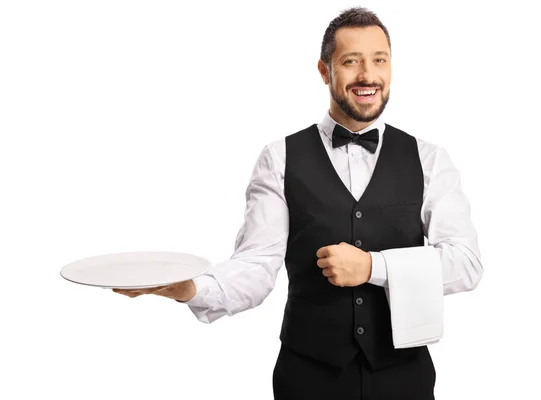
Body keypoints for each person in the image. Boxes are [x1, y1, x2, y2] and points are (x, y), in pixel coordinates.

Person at [113, 6, 483, 399]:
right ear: (324, 71)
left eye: (379, 60)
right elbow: (256, 265)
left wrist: (375, 266)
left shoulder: (429, 159)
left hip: (403, 377)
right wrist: (188, 288)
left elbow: (467, 263)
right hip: (309, 378)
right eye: (350, 61)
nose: (367, 75)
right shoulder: (280, 158)